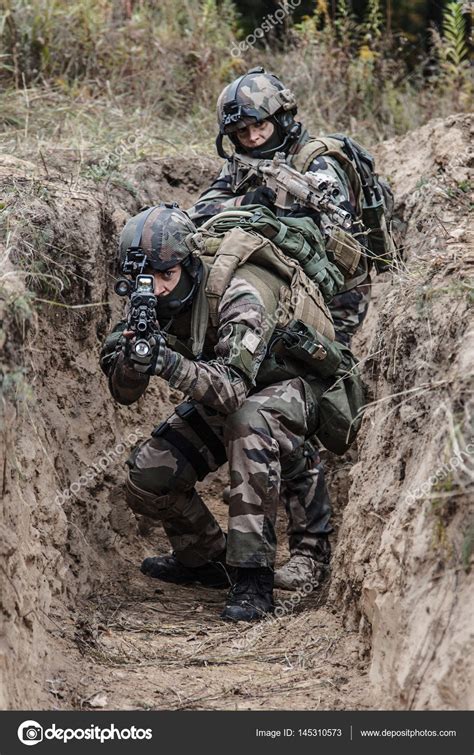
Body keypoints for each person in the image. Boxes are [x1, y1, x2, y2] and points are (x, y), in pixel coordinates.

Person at [100, 204, 363, 622]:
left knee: (249, 422)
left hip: (296, 387)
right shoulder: (145, 299)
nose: (157, 290)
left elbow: (232, 391)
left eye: (166, 276)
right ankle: (206, 562)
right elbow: (124, 392)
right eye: (143, 280)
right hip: (231, 390)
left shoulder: (241, 291)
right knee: (149, 475)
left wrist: (168, 363)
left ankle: (254, 576)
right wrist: (133, 362)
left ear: (188, 265)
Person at [187, 67, 393, 589]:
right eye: (242, 133)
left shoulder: (314, 163)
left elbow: (335, 239)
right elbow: (201, 216)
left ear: (282, 117)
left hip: (329, 309)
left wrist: (275, 212)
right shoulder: (244, 166)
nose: (253, 139)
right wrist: (253, 203)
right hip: (273, 302)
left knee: (296, 415)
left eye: (260, 128)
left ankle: (311, 550)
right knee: (253, 400)